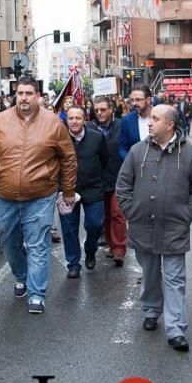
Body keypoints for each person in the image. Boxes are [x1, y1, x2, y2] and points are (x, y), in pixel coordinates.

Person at [0, 76, 77, 315]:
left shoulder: (54, 124)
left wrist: (68, 191)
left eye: (29, 93)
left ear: (37, 95)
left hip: (41, 195)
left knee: (38, 244)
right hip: (5, 196)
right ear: (15, 95)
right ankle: (21, 275)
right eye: (20, 93)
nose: (24, 97)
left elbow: (68, 158)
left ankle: (37, 294)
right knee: (8, 241)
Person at [115, 105, 192, 352]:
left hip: (174, 228)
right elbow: (123, 186)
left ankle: (176, 329)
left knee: (175, 279)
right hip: (143, 225)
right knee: (150, 273)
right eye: (150, 118)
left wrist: (186, 216)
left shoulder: (189, 154)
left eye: (155, 119)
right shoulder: (137, 151)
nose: (149, 122)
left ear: (170, 125)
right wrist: (132, 212)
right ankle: (151, 309)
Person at [60, 105, 108, 278]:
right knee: (69, 228)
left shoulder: (97, 137)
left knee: (95, 224)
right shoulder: (59, 138)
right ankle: (73, 264)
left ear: (84, 120)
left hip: (93, 188)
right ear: (66, 120)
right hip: (67, 190)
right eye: (71, 118)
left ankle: (90, 250)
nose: (74, 121)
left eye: (78, 118)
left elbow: (105, 160)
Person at [88, 95, 126, 266]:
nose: (100, 113)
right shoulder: (89, 128)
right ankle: (111, 244)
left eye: (103, 109)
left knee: (117, 213)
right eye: (97, 110)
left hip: (119, 176)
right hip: (97, 178)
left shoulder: (121, 125)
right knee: (104, 216)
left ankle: (119, 249)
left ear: (111, 110)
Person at [118, 85, 153, 161]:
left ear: (148, 100)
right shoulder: (127, 120)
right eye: (132, 100)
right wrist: (130, 162)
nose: (134, 103)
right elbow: (122, 148)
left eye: (138, 100)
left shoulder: (161, 116)